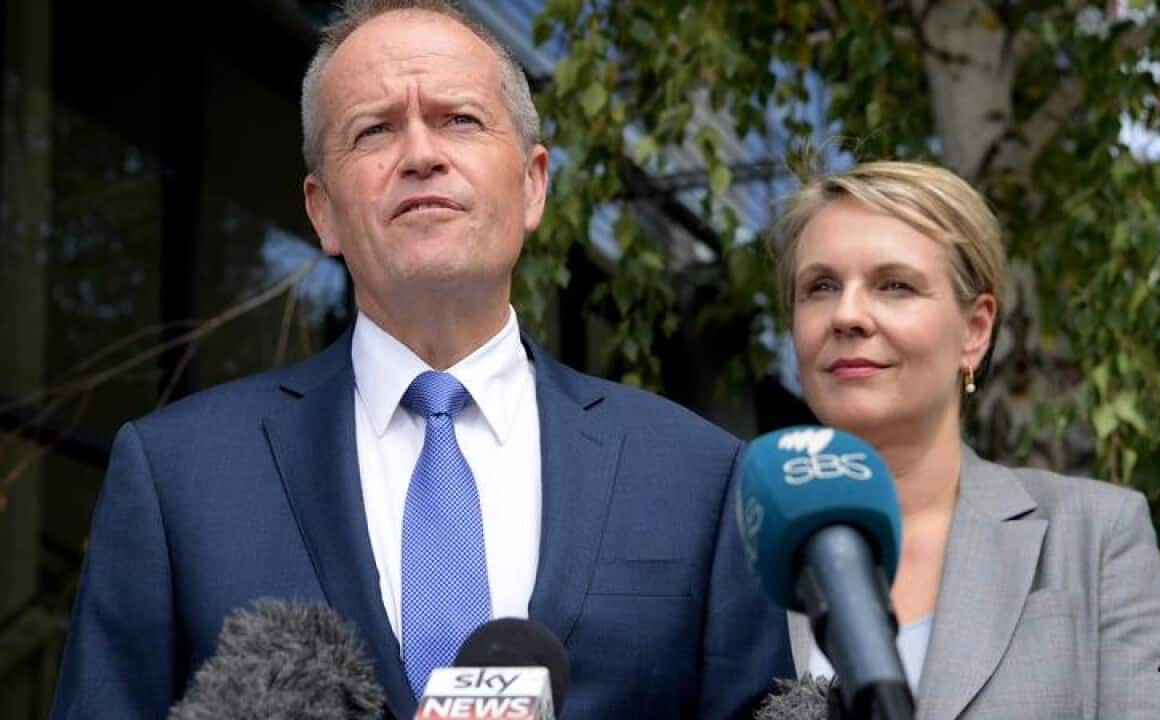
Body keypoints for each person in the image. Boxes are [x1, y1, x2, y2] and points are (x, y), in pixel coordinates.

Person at [49, 2, 791, 718]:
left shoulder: (700, 474)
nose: (420, 154)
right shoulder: (177, 473)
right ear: (323, 211)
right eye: (373, 131)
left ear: (533, 183)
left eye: (458, 120)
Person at [774, 161, 1160, 719]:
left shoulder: (1094, 535)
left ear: (975, 331)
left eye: (894, 285)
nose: (847, 315)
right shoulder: (730, 547)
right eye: (821, 286)